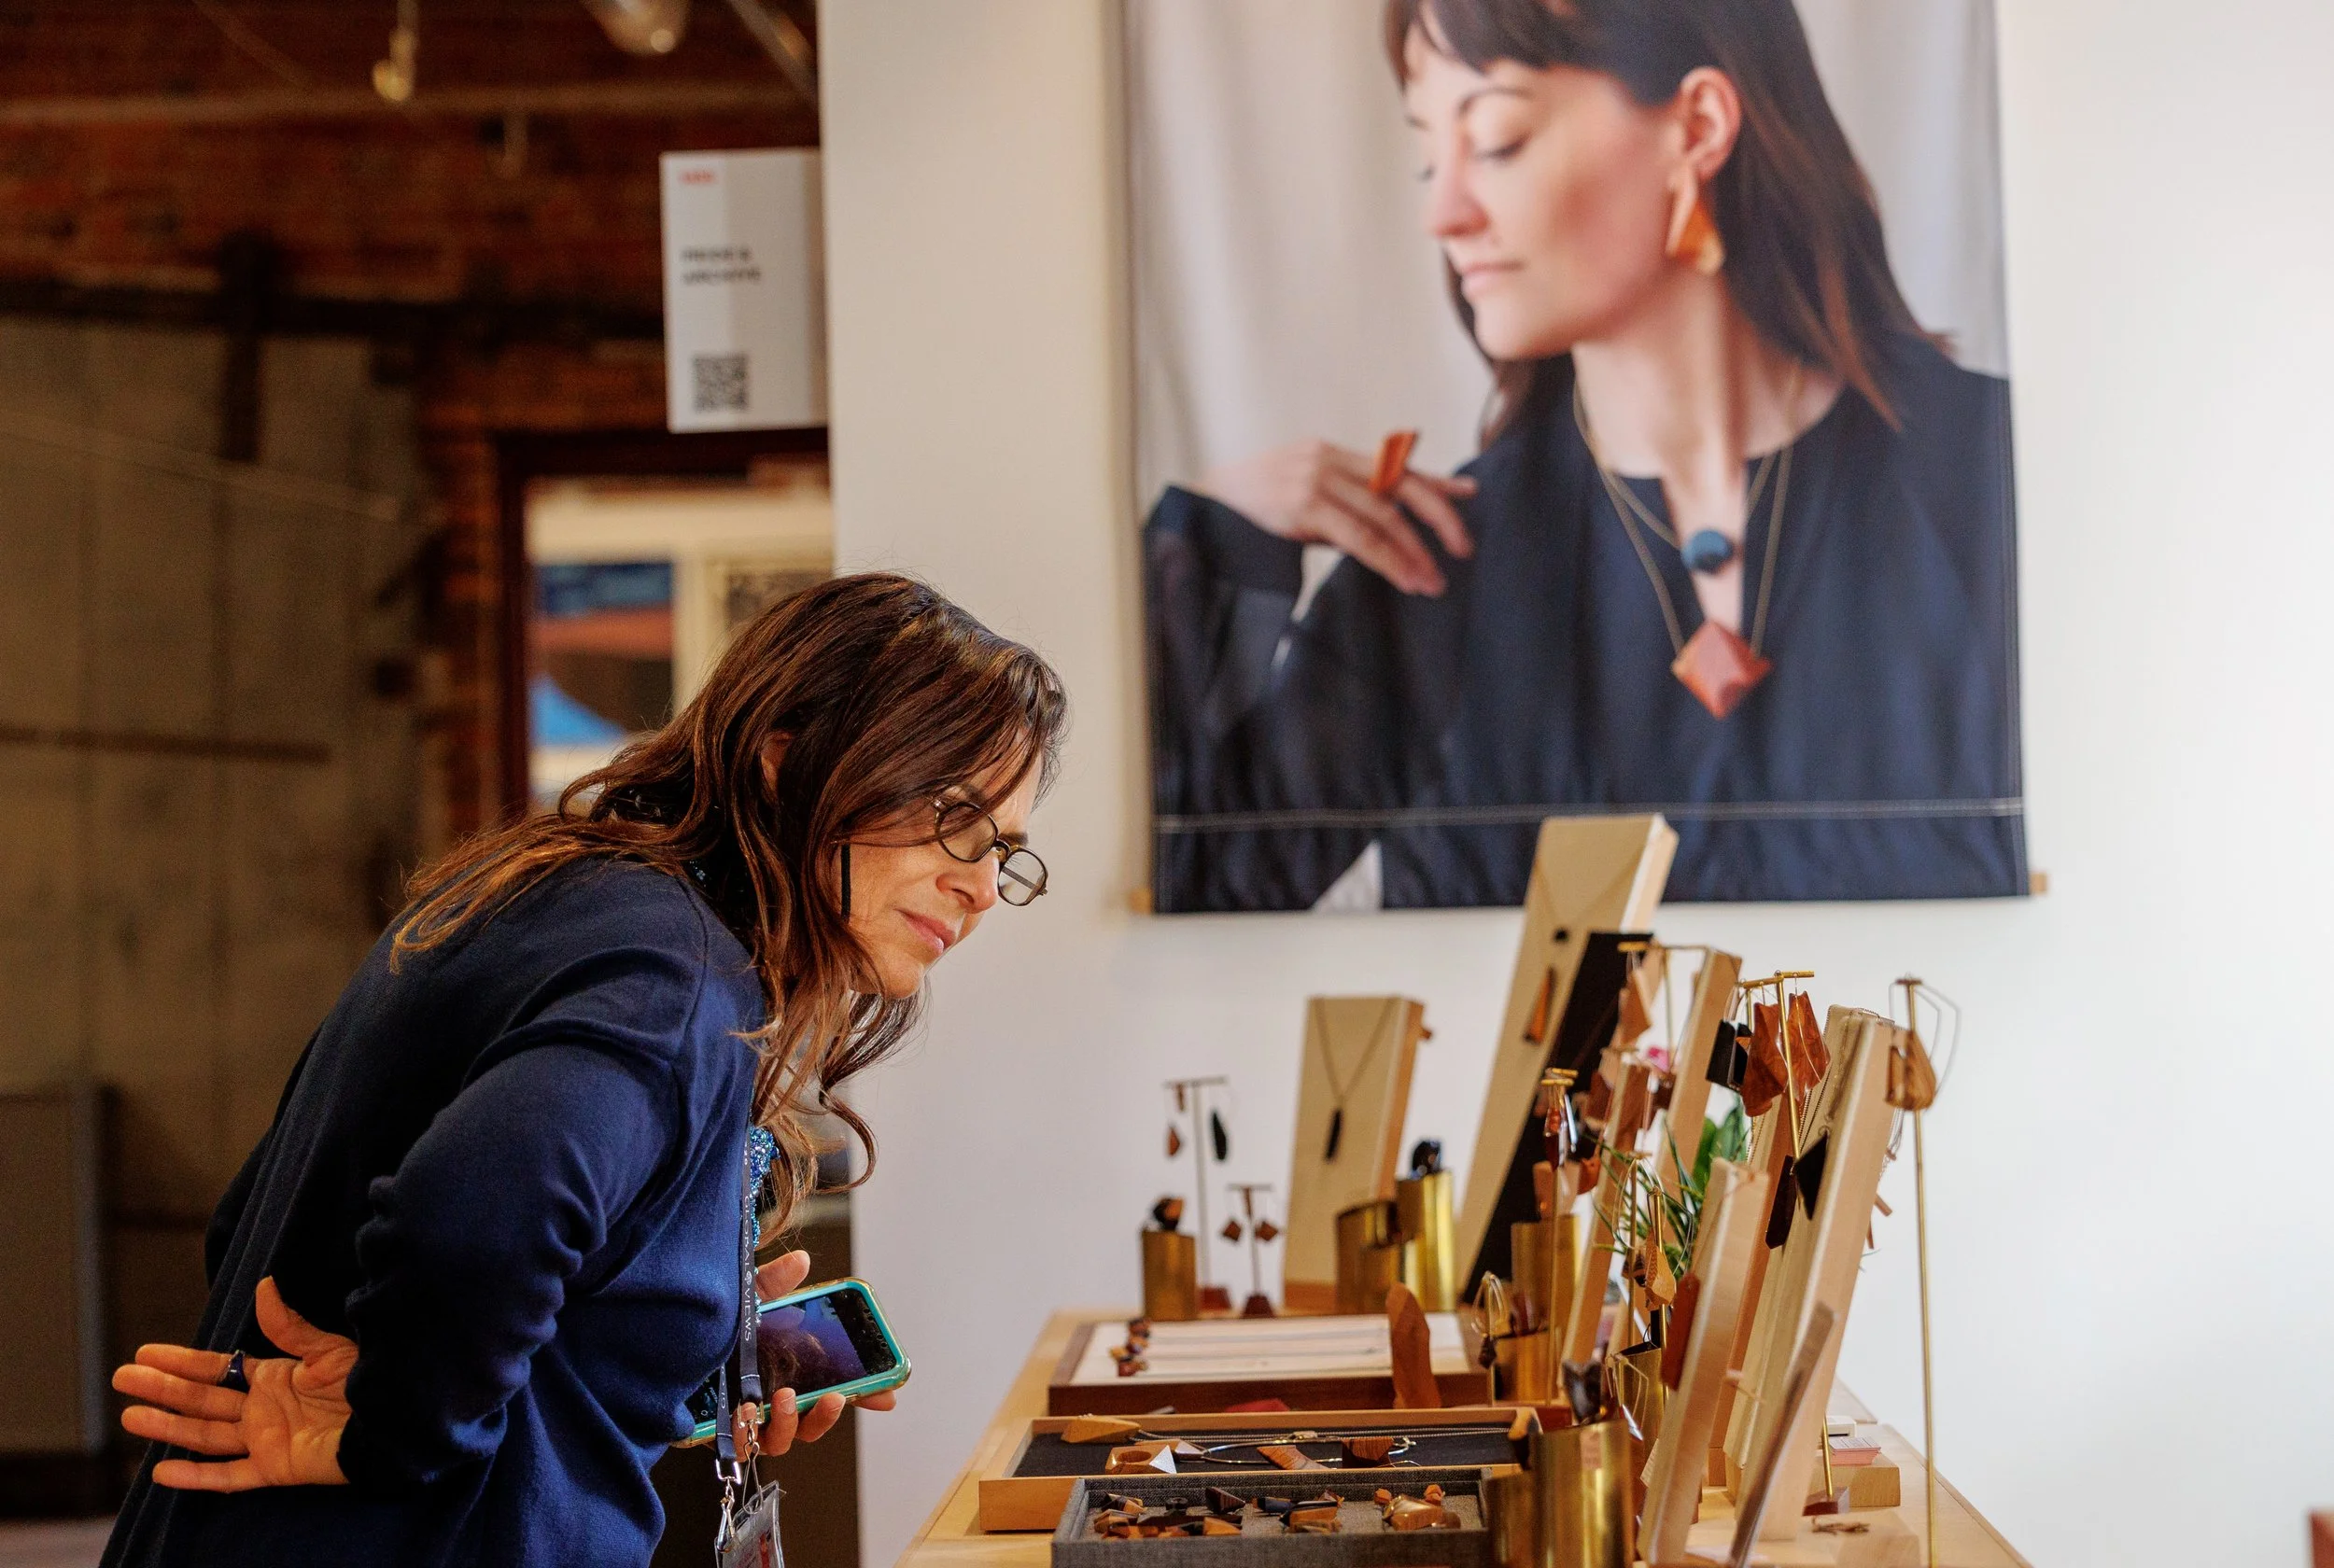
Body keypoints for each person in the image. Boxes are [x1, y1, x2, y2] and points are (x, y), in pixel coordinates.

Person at [101, 573, 1068, 1568]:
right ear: (788, 762)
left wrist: (668, 1344)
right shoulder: (676, 975)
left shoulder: (563, 897)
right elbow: (471, 1216)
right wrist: (397, 1433)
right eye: (955, 817)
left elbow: (270, 1220)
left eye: (1004, 852)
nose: (980, 886)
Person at [1144, 0, 2023, 911]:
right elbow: (1198, 895)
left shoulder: (1994, 481)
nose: (1442, 213)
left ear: (1698, 127)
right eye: (1428, 159)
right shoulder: (1430, 572)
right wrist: (1212, 538)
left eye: (1497, 141)